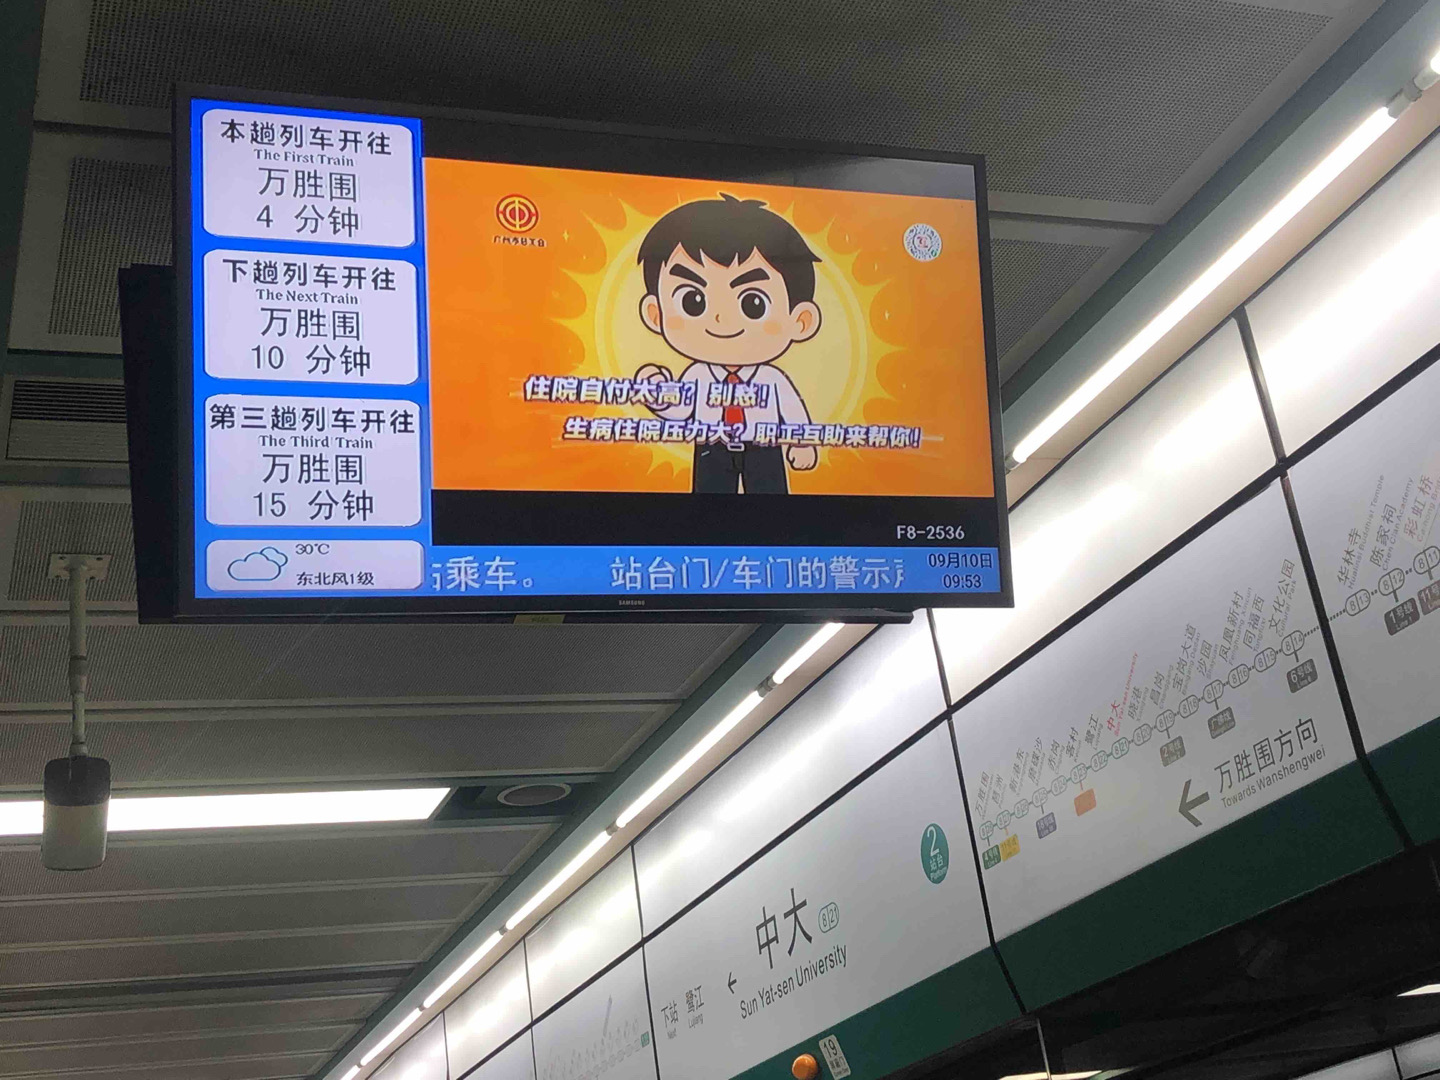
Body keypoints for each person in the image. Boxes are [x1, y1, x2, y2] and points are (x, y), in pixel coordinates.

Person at [634, 195, 823, 493]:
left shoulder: (772, 378)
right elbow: (680, 410)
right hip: (712, 447)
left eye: (753, 304)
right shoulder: (697, 375)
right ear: (655, 313)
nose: (721, 319)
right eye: (693, 301)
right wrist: (656, 395)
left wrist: (801, 443)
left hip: (764, 447)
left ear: (800, 320)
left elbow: (792, 410)